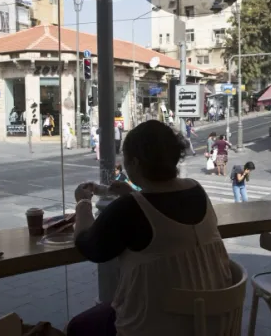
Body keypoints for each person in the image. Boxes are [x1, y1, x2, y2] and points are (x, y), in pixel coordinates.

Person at [67, 120, 232, 336]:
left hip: (154, 326)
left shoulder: (130, 209)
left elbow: (88, 246)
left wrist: (83, 203)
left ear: (134, 163)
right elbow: (163, 211)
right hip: (213, 324)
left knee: (77, 327)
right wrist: (132, 193)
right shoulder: (196, 190)